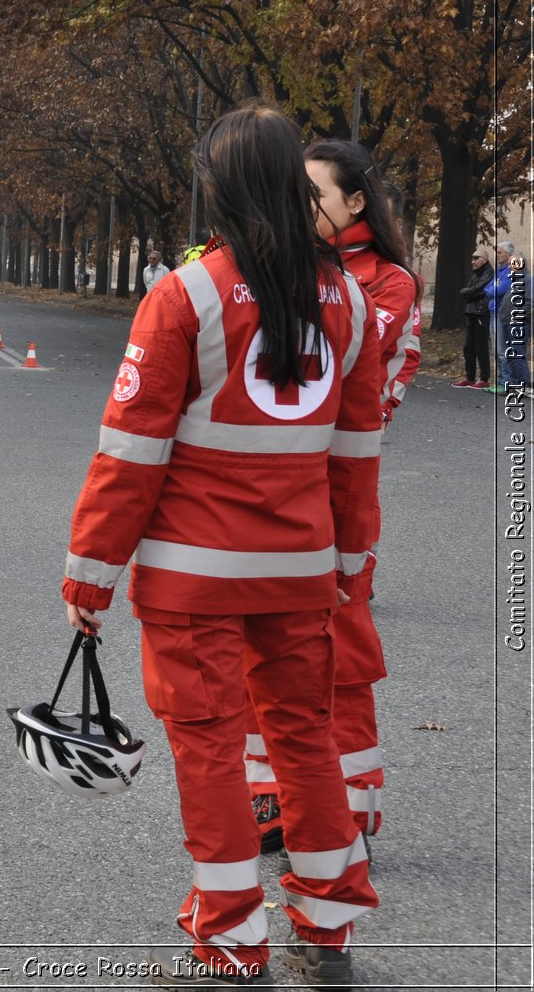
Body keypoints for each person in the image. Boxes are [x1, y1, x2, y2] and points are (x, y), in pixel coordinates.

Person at [61, 103, 381, 987]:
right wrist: (351, 562)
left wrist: (89, 575)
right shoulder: (346, 298)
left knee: (207, 747)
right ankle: (329, 924)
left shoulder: (187, 293)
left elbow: (129, 454)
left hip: (193, 577)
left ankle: (232, 941)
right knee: (306, 736)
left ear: (221, 186)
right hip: (301, 570)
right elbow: (356, 457)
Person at [237, 139, 420, 852]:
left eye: (316, 193)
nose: (301, 207)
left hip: (339, 487)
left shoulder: (388, 284)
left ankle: (350, 808)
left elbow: (347, 370)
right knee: (264, 645)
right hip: (275, 487)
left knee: (340, 650)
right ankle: (272, 799)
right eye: (294, 192)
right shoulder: (284, 270)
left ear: (355, 203)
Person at [487, 240, 528, 394]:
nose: (497, 255)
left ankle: (506, 382)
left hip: (501, 313)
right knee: (496, 349)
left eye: (500, 252)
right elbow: (489, 287)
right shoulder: (499, 271)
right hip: (493, 311)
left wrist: (492, 290)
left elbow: (499, 290)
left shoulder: (511, 272)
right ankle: (502, 380)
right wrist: (492, 290)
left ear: (509, 254)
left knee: (502, 350)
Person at [456, 251, 494, 388]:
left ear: (484, 259)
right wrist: (468, 292)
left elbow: (478, 290)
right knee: (468, 347)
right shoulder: (477, 273)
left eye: (476, 258)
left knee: (481, 346)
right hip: (472, 312)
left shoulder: (488, 273)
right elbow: (471, 292)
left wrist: (467, 292)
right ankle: (470, 377)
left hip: (481, 312)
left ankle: (484, 378)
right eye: (472, 258)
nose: (473, 261)